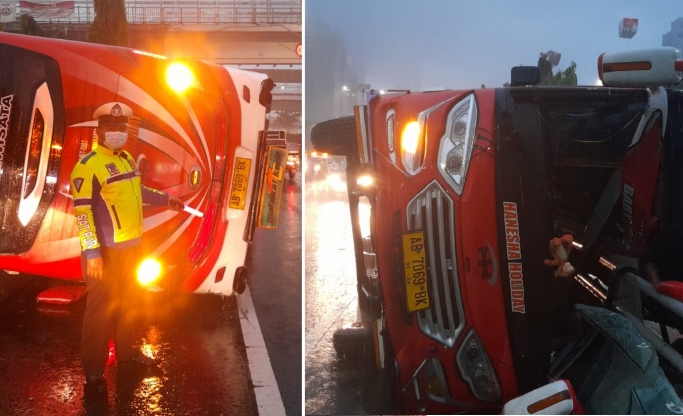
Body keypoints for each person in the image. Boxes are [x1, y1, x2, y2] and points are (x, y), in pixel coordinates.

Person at [70, 102, 184, 395]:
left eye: (122, 128)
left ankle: (126, 353)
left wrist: (165, 199)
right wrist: (92, 252)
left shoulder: (126, 160)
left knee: (128, 303)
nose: (118, 133)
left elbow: (138, 190)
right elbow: (83, 214)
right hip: (105, 253)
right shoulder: (88, 166)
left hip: (131, 248)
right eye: (112, 127)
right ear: (100, 130)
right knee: (99, 314)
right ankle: (94, 374)